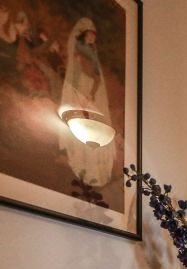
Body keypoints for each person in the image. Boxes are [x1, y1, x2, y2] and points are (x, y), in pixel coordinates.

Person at [58, 17, 115, 187]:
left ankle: (95, 169)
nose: (92, 38)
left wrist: (92, 92)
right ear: (84, 34)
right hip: (82, 87)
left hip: (91, 89)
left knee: (95, 126)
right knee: (84, 123)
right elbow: (76, 74)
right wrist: (80, 95)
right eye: (90, 34)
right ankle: (82, 164)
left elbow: (97, 76)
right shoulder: (78, 50)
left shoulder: (92, 52)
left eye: (94, 35)